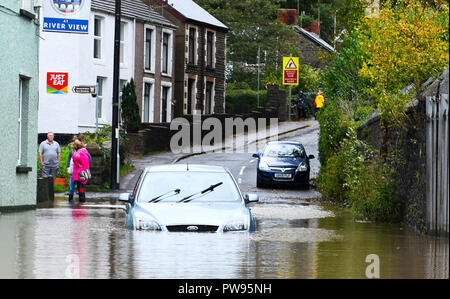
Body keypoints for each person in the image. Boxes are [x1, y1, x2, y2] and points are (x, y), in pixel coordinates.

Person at [71, 139, 90, 203]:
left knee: (80, 187)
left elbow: (76, 158)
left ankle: (82, 200)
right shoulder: (85, 150)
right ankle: (82, 200)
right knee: (81, 186)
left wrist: (77, 163)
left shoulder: (79, 152)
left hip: (79, 172)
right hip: (85, 171)